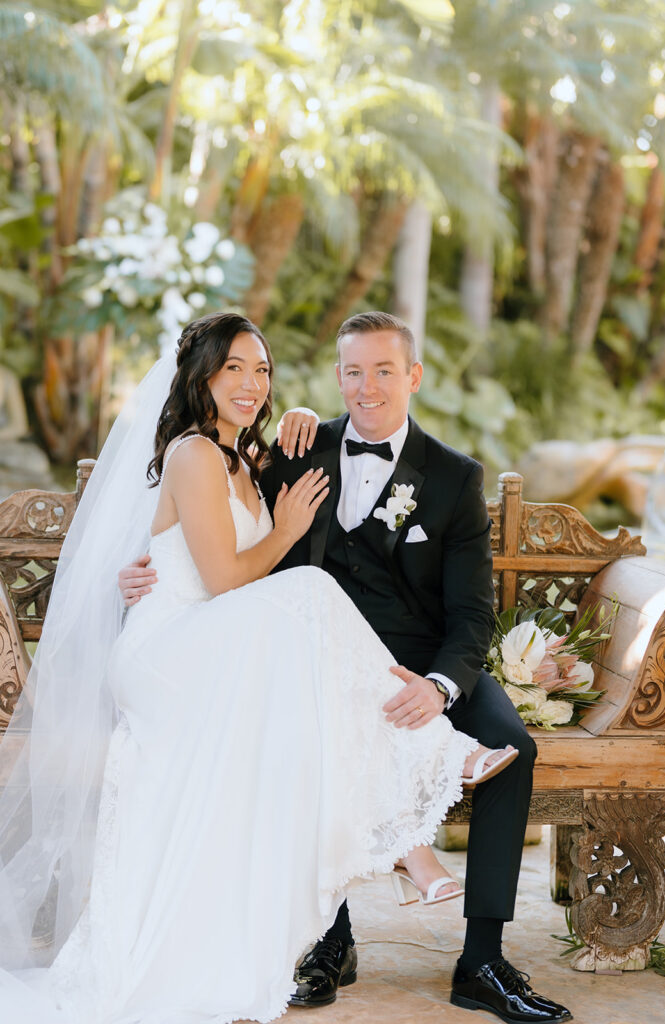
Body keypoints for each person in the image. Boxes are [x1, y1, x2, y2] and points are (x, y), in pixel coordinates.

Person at [0, 312, 518, 1024]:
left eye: (262, 370)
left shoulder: (251, 458)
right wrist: (285, 531)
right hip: (170, 650)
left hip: (223, 641)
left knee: (302, 682)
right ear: (201, 378)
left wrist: (297, 418)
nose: (250, 383)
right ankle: (419, 811)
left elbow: (465, 609)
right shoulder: (193, 453)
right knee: (307, 595)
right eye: (233, 369)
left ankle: (435, 885)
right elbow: (219, 580)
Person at [121, 312, 572, 1024]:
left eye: (383, 371)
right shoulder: (297, 453)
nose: (367, 388)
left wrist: (441, 686)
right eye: (352, 372)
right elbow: (204, 525)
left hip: (423, 669)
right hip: (314, 663)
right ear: (336, 378)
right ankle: (331, 942)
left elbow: (472, 617)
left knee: (513, 747)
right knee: (308, 725)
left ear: (413, 377)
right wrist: (146, 576)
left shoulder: (455, 479)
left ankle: (481, 960)